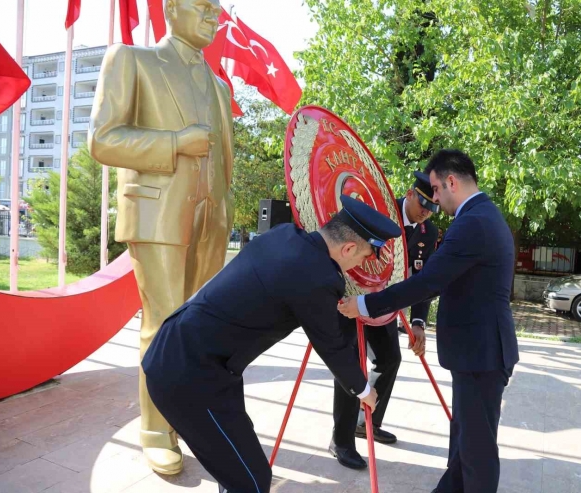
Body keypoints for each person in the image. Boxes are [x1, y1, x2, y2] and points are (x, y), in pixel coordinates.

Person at [142, 195, 400, 493]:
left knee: (239, 468)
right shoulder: (317, 277)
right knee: (252, 482)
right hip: (191, 375)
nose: (361, 264)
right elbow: (332, 345)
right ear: (349, 247)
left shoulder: (284, 235)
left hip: (194, 354)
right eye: (365, 256)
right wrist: (364, 390)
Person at [89, 0, 235, 474]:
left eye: (218, 9)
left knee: (199, 327)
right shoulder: (133, 60)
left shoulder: (219, 85)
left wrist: (224, 206)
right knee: (165, 320)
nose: (214, 16)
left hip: (211, 218)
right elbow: (103, 139)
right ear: (171, 9)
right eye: (203, 7)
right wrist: (174, 143)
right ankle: (155, 429)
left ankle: (187, 419)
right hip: (157, 211)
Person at [339, 149, 520, 493]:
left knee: (476, 454)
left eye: (436, 189)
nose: (434, 198)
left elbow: (427, 282)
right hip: (478, 352)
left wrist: (364, 304)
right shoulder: (481, 215)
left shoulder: (473, 222)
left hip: (481, 354)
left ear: (452, 181)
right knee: (465, 447)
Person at [330, 171, 439, 470]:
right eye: (423, 203)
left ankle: (367, 423)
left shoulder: (428, 233)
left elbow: (422, 279)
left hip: (383, 304)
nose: (426, 212)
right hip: (352, 298)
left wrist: (418, 322)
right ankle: (341, 440)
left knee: (390, 358)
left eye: (433, 208)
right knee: (351, 366)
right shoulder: (379, 207)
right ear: (410, 192)